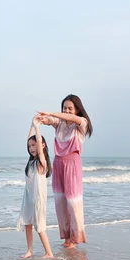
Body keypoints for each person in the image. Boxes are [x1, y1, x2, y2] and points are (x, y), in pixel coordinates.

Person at [38, 94, 93, 248]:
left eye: (70, 108)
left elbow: (72, 119)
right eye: (64, 108)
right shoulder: (59, 123)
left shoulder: (82, 123)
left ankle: (75, 239)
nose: (67, 111)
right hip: (58, 163)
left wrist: (51, 113)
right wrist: (42, 119)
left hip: (72, 164)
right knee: (60, 202)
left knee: (72, 201)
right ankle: (67, 239)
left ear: (77, 110)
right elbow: (50, 121)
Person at [17, 115, 54, 258]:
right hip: (28, 197)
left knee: (39, 226)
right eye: (30, 146)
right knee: (27, 223)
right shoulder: (31, 162)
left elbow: (37, 139)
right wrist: (32, 123)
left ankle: (49, 253)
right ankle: (30, 250)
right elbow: (30, 138)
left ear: (42, 145)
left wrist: (38, 127)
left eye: (35, 145)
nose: (32, 148)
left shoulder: (41, 163)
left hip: (38, 197)